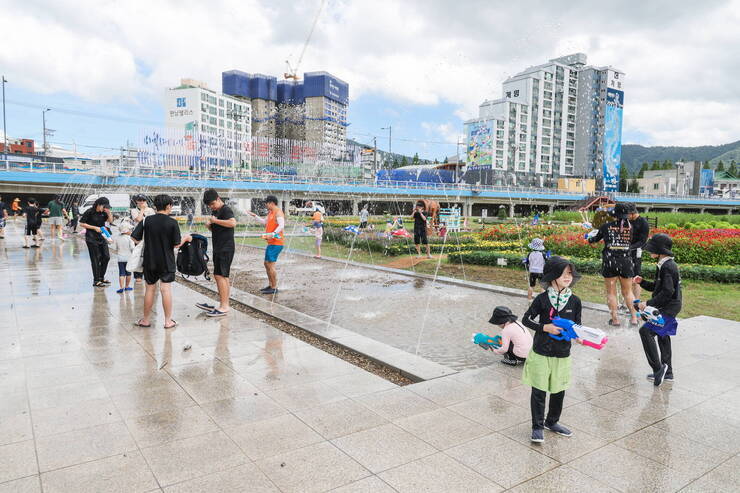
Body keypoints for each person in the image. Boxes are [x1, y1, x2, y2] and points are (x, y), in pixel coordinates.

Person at [521, 256, 583, 443]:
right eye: (563, 274)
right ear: (553, 276)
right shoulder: (541, 299)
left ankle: (552, 422)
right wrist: (544, 327)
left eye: (570, 274)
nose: (568, 277)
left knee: (559, 390)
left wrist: (579, 336)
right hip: (541, 351)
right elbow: (526, 320)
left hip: (562, 353)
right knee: (539, 390)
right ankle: (537, 426)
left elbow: (577, 325)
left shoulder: (575, 301)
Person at [131, 194, 191, 329]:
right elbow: (176, 244)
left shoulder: (147, 220)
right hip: (166, 261)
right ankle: (168, 321)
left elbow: (134, 238)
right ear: (169, 206)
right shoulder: (172, 222)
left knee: (150, 290)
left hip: (150, 260)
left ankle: (145, 320)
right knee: (165, 290)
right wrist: (186, 239)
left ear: (155, 206)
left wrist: (148, 243)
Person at [634, 234, 682, 386]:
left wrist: (647, 304)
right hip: (669, 306)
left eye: (652, 248)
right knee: (662, 335)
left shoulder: (668, 267)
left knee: (646, 332)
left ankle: (658, 369)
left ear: (660, 250)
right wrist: (643, 283)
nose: (649, 251)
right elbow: (659, 287)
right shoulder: (664, 264)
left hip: (668, 308)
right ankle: (667, 373)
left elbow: (667, 292)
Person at [587, 203, 639, 326]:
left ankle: (615, 319)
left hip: (610, 261)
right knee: (628, 292)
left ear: (615, 214)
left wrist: (590, 240)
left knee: (611, 292)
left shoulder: (606, 227)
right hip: (626, 261)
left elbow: (594, 239)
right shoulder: (632, 227)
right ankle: (634, 318)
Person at [195, 189, 236, 317]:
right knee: (223, 276)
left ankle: (224, 306)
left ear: (218, 198)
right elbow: (218, 228)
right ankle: (223, 303)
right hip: (220, 247)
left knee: (219, 276)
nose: (211, 207)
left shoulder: (225, 209)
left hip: (225, 248)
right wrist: (209, 225)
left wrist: (215, 221)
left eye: (213, 204)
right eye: (209, 206)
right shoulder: (216, 211)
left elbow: (233, 223)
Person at [247, 195, 284, 295]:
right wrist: (254, 216)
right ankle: (271, 285)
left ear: (271, 203)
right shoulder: (271, 212)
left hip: (276, 243)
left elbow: (282, 225)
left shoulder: (278, 212)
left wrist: (272, 234)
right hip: (272, 243)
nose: (266, 205)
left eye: (266, 203)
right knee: (266, 264)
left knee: (270, 264)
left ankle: (274, 287)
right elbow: (264, 222)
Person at [79, 197, 113, 286]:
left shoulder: (103, 213)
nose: (105, 209)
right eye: (104, 207)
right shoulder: (89, 211)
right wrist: (94, 227)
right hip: (91, 238)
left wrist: (109, 213)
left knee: (106, 257)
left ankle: (101, 277)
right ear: (99, 204)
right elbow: (81, 223)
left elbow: (110, 221)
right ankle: (96, 280)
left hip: (101, 237)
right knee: (95, 258)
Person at [627, 202, 650, 301]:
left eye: (627, 214)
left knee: (636, 276)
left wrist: (630, 248)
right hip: (627, 251)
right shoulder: (628, 221)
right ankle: (627, 300)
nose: (626, 216)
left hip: (637, 251)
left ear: (632, 213)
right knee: (627, 276)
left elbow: (642, 241)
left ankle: (636, 301)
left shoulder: (643, 223)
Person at [131, 195, 155, 284]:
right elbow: (138, 219)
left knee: (149, 254)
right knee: (138, 255)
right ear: (136, 202)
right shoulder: (134, 210)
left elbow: (153, 221)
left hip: (148, 236)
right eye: (139, 200)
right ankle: (138, 275)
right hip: (138, 236)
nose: (141, 202)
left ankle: (148, 273)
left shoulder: (151, 210)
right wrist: (142, 209)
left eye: (143, 200)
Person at [112, 224, 134, 293]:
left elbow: (115, 248)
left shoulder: (118, 238)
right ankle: (127, 287)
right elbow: (132, 248)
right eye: (130, 230)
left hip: (120, 258)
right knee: (128, 273)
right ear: (126, 231)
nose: (131, 231)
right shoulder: (130, 238)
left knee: (121, 273)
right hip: (128, 258)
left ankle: (121, 287)